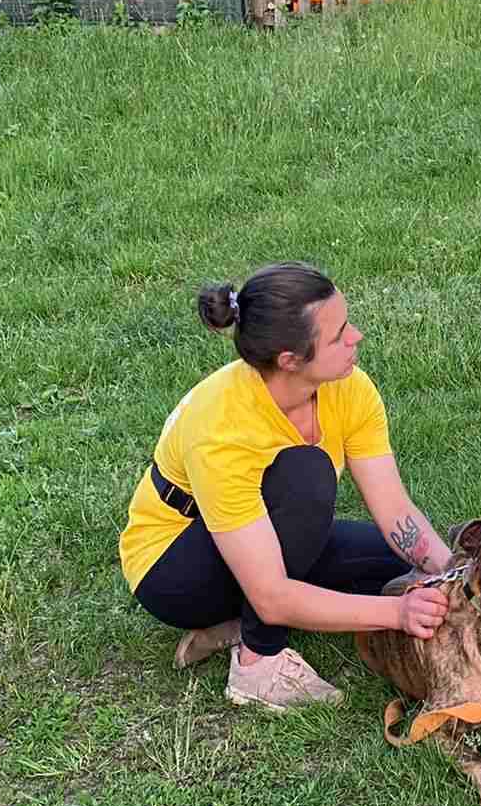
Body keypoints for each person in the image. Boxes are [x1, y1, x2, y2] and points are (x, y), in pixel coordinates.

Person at [118, 261, 454, 710]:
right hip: (174, 567)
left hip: (258, 533)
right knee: (305, 475)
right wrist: (396, 614)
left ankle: (233, 625)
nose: (356, 337)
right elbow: (273, 596)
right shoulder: (221, 426)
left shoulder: (348, 387)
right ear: (290, 360)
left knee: (398, 565)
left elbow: (394, 508)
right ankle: (257, 664)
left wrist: (456, 574)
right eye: (338, 335)